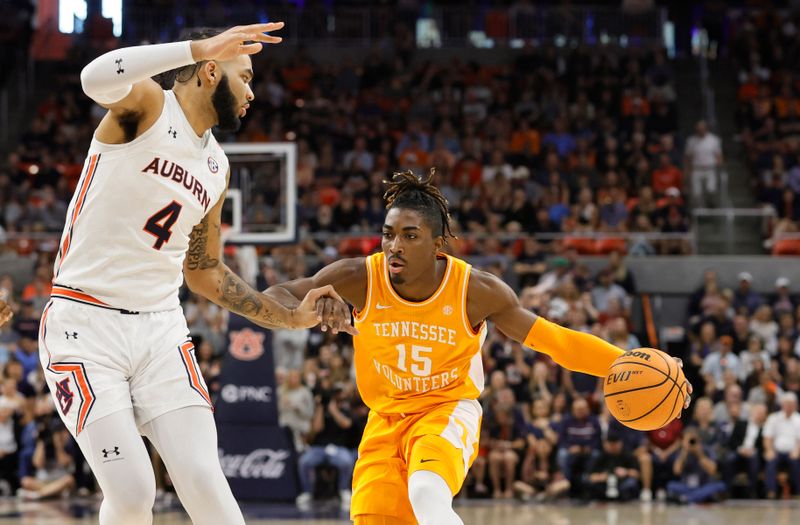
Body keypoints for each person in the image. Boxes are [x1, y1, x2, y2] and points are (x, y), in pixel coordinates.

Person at [35, 24, 355, 525]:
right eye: (244, 77)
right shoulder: (147, 107)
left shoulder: (215, 166)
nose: (253, 91)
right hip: (84, 325)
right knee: (134, 489)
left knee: (207, 484)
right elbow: (93, 78)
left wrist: (291, 319)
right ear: (209, 71)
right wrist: (194, 47)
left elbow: (204, 272)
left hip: (161, 330)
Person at [264, 169, 691, 525]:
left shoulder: (476, 291)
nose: (394, 245)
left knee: (428, 492)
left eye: (409, 236)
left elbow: (553, 341)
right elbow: (280, 292)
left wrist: (628, 363)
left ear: (437, 244)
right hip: (385, 419)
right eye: (388, 234)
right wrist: (304, 310)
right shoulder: (357, 277)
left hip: (446, 409)